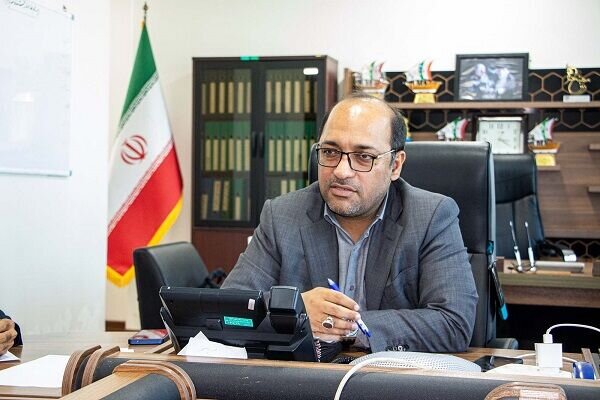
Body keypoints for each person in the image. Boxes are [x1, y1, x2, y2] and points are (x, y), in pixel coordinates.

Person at [222, 94, 478, 353]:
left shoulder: (431, 216)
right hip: (305, 373)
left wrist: (349, 327)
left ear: (395, 166)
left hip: (390, 374)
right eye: (330, 152)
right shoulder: (282, 215)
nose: (341, 171)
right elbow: (227, 312)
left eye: (363, 156)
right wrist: (293, 313)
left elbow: (454, 323)